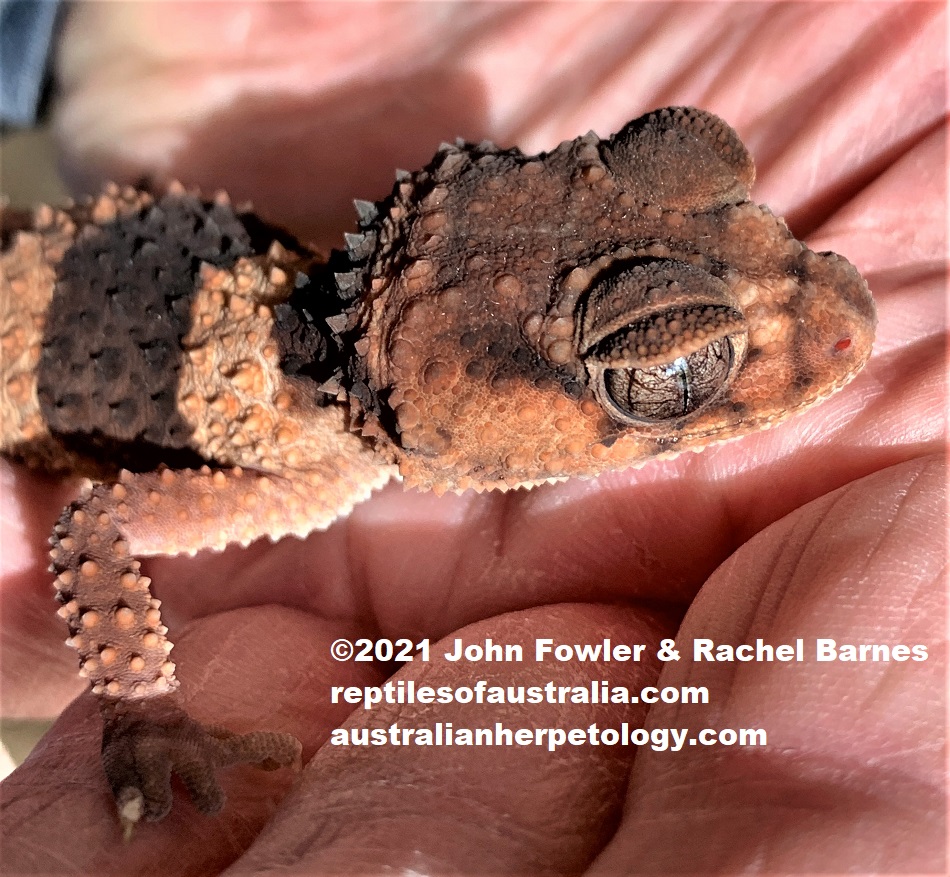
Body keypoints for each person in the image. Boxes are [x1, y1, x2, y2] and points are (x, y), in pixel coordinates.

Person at [1, 2, 944, 873]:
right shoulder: (297, 469)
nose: (829, 313)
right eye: (667, 377)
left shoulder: (340, 345)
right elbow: (95, 527)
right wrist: (142, 711)